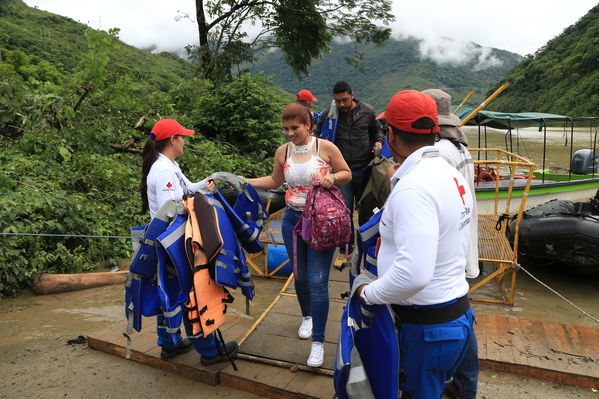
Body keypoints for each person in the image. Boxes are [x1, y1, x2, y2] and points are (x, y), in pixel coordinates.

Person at [354, 90, 476, 398]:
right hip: (457, 314)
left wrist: (368, 293)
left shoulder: (414, 189)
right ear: (435, 130)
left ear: (391, 134)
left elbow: (413, 274)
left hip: (428, 329)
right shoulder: (450, 172)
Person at [247, 103, 351, 367]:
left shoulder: (325, 148)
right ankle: (307, 316)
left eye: (294, 128)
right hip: (292, 219)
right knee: (300, 276)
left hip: (320, 220)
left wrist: (333, 177)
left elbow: (347, 174)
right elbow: (274, 182)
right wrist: (244, 180)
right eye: (285, 129)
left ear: (308, 126)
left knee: (318, 281)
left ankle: (318, 341)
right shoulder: (283, 151)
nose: (289, 133)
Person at [140, 118, 238, 364]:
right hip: (174, 242)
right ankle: (208, 350)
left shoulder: (169, 165)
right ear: (173, 140)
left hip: (169, 241)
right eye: (182, 137)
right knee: (190, 292)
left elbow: (187, 188)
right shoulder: (163, 172)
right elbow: (170, 210)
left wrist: (205, 185)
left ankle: (169, 343)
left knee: (170, 291)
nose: (185, 141)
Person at [423, 88, 480, 399]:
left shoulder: (440, 151)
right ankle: (465, 387)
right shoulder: (460, 147)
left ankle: (454, 387)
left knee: (452, 323)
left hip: (449, 252)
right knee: (464, 317)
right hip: (465, 246)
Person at [314, 81, 384, 266]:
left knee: (366, 210)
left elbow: (377, 129)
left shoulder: (367, 111)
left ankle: (367, 245)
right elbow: (316, 133)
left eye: (344, 100)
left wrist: (378, 141)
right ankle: (345, 249)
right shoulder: (330, 114)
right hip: (341, 172)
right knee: (343, 211)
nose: (342, 105)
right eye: (338, 101)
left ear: (352, 95)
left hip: (364, 168)